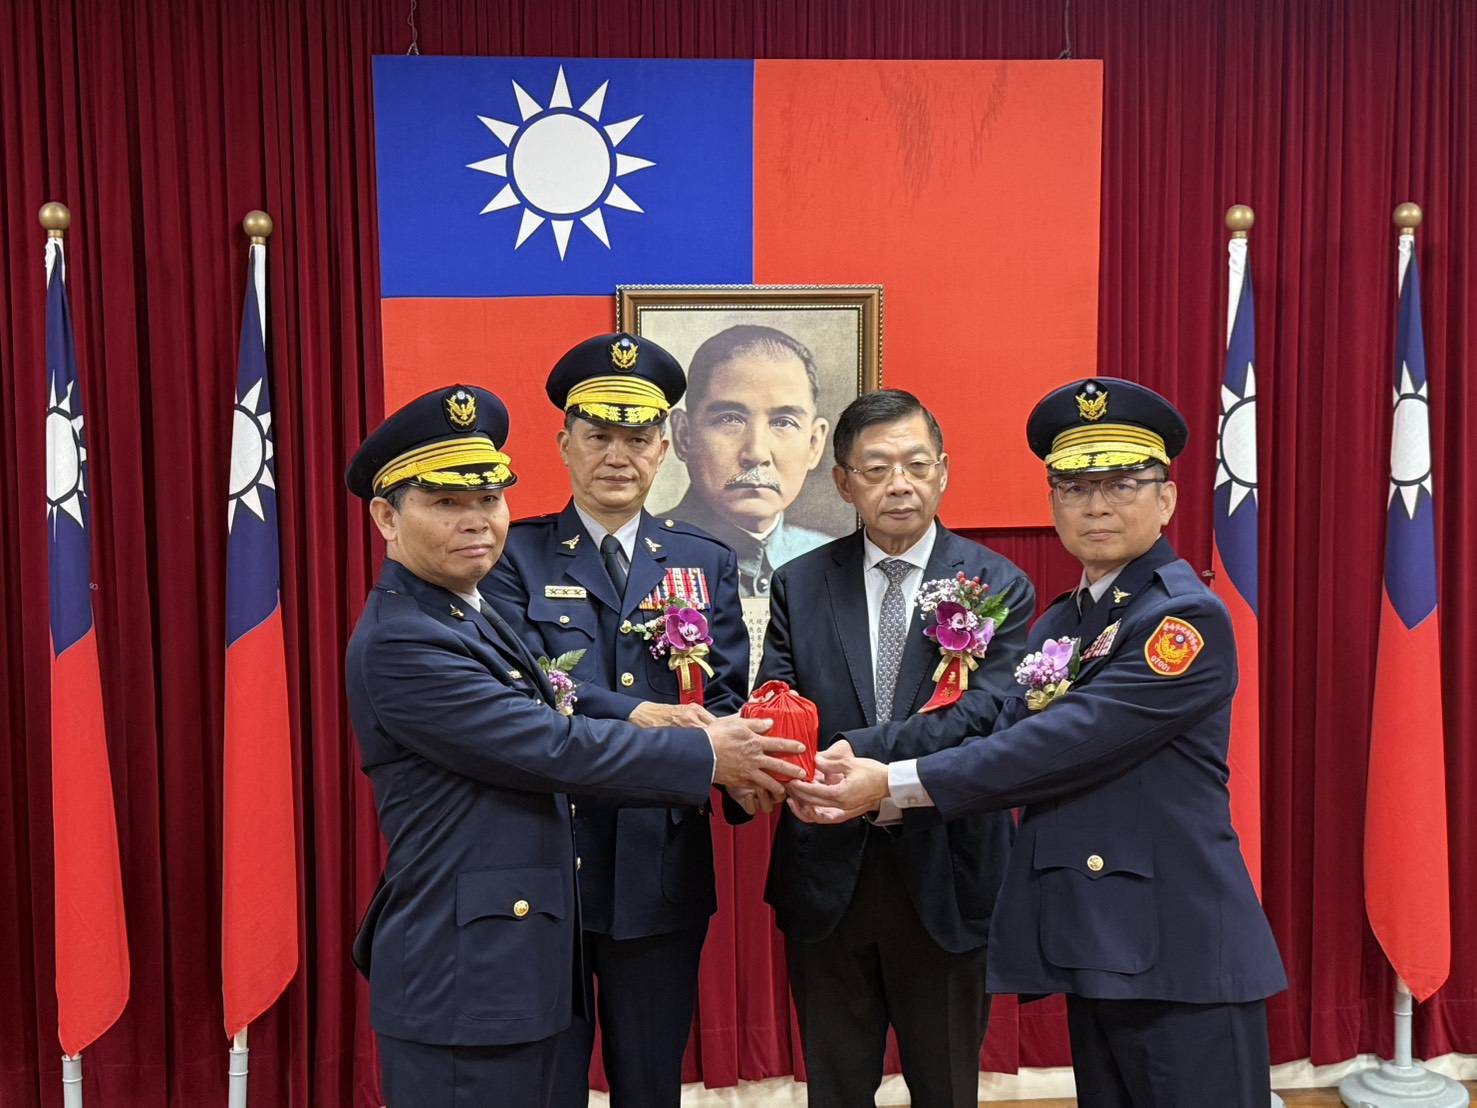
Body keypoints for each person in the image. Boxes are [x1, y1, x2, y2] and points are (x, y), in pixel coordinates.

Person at [789, 377, 1288, 1108]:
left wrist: (886, 782)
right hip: (1097, 942)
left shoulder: (1181, 621)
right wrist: (864, 778)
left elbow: (1058, 744)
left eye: (1122, 484)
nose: (1096, 505)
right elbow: (1002, 733)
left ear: (1167, 500)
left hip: (1178, 948)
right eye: (1074, 487)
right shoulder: (1065, 624)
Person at [342, 383, 806, 1108]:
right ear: (386, 517)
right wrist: (708, 755)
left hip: (531, 936)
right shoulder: (408, 639)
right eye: (446, 503)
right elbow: (550, 744)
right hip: (471, 961)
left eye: (488, 498)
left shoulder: (463, 613)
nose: (477, 521)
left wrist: (730, 751)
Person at [483, 333, 754, 1108]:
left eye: (637, 439)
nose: (617, 456)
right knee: (544, 1086)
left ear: (664, 448)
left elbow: (722, 698)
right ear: (563, 444)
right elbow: (519, 688)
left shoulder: (703, 559)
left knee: (650, 1084)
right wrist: (637, 713)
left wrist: (747, 765)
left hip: (656, 861)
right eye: (598, 435)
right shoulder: (513, 556)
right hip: (546, 857)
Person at [755, 388, 1035, 1107]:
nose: (899, 484)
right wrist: (798, 759)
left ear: (944, 471)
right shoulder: (799, 583)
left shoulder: (995, 585)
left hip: (947, 870)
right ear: (843, 482)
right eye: (876, 469)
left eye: (916, 464)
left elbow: (984, 716)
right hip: (827, 872)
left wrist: (856, 754)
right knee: (835, 1089)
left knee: (946, 1087)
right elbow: (777, 702)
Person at [668, 324, 835, 597]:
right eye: (729, 419)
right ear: (683, 435)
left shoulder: (835, 564)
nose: (756, 454)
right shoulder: (636, 557)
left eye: (783, 422)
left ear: (814, 444)